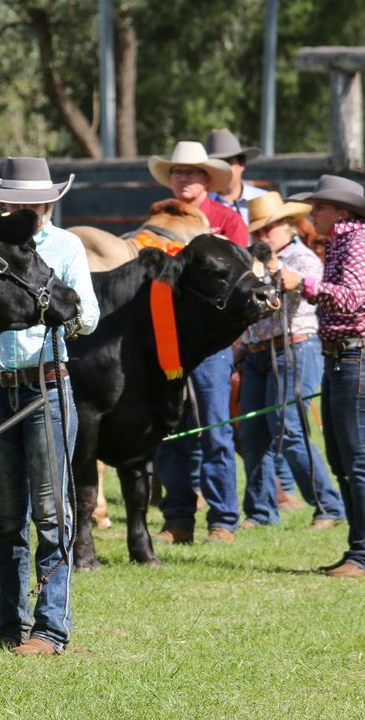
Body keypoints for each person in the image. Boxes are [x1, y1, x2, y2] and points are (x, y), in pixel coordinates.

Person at [0, 157, 99, 656]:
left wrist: (58, 317)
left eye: (29, 200)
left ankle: (50, 628)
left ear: (48, 201)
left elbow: (88, 316)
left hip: (46, 384)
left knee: (51, 513)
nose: (21, 206)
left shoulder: (66, 246)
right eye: (12, 199)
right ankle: (11, 620)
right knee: (8, 516)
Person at [150, 141, 247, 544]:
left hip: (211, 344)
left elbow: (245, 279)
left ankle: (223, 519)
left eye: (191, 172)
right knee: (170, 431)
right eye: (177, 172)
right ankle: (177, 519)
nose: (183, 178)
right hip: (168, 341)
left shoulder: (226, 220)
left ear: (208, 179)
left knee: (215, 428)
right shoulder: (159, 218)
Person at [273, 175, 365, 578]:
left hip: (353, 358)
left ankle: (362, 555)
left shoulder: (356, 240)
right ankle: (357, 550)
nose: (313, 214)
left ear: (341, 212)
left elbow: (353, 297)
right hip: (341, 358)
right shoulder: (342, 241)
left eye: (320, 208)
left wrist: (303, 283)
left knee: (356, 458)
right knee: (343, 457)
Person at [236, 191, 346, 529]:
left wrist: (272, 267)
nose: (262, 236)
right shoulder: (251, 262)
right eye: (257, 231)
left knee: (290, 429)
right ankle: (260, 511)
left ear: (286, 225)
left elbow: (296, 293)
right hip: (257, 353)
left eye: (268, 228)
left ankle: (328, 506)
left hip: (295, 348)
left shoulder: (303, 259)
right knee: (253, 432)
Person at [205, 128, 267, 224]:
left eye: (227, 163)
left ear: (242, 164)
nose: (222, 168)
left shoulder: (264, 200)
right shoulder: (202, 205)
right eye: (216, 163)